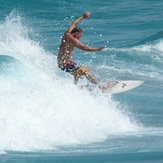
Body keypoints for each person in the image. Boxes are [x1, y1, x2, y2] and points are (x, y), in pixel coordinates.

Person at [57, 12, 110, 90]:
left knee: (78, 71)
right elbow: (84, 48)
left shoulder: (67, 33)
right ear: (76, 33)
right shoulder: (73, 40)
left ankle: (75, 87)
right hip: (65, 64)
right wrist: (97, 49)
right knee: (84, 70)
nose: (80, 37)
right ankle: (101, 86)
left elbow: (74, 23)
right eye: (80, 35)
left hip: (62, 62)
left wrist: (83, 16)